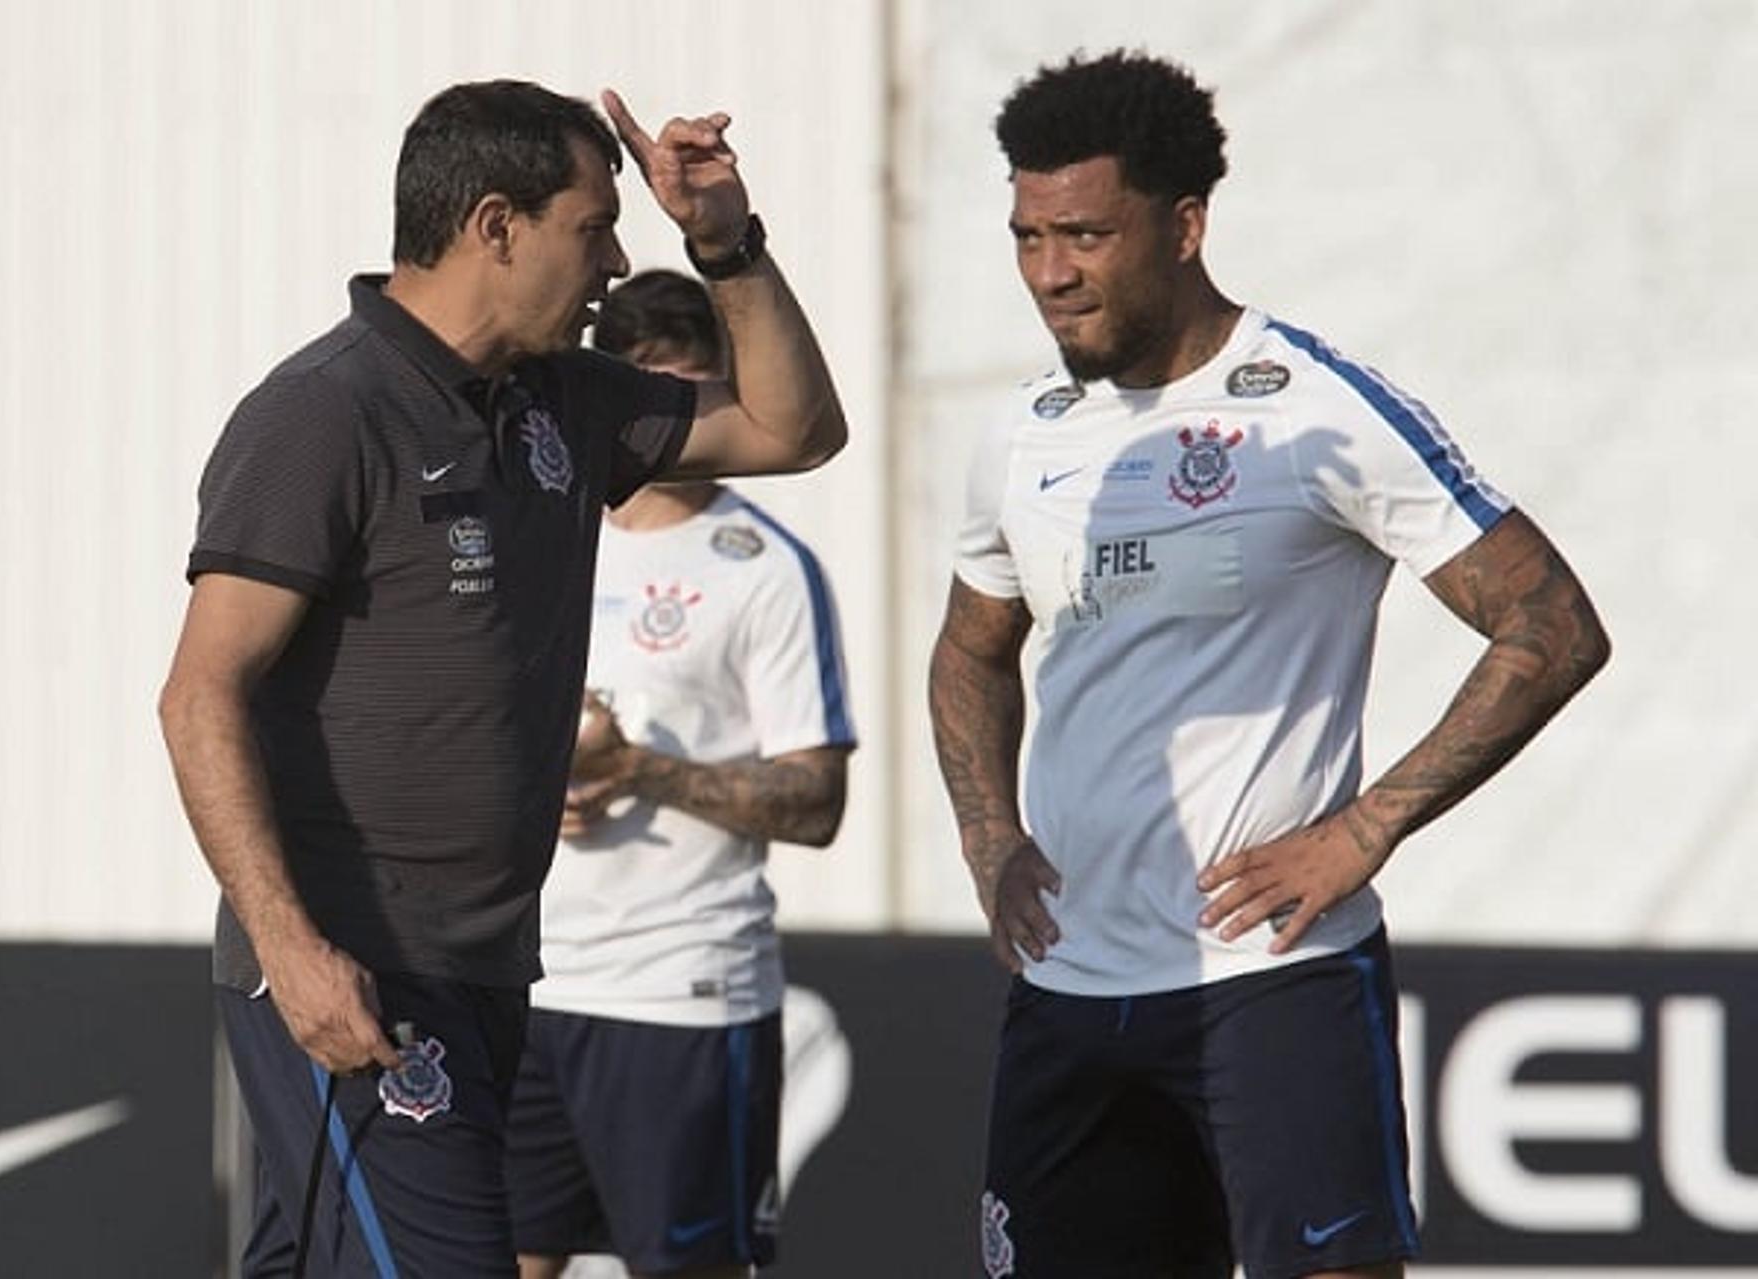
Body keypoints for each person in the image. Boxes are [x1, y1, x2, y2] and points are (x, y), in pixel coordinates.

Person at [928, 49, 1609, 1279]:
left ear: (1185, 225)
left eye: (1084, 234)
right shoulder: (1025, 432)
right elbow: (973, 651)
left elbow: (1551, 627)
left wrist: (1367, 827)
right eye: (1026, 236)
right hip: (1071, 987)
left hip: (1271, 982)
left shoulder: (1315, 408)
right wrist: (988, 839)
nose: (1049, 274)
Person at [158, 79, 846, 1278]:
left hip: (488, 964)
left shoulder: (562, 403)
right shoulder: (324, 413)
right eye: (593, 227)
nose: (620, 262)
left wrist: (727, 244)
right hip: (359, 969)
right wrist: (292, 947)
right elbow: (198, 695)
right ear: (494, 225)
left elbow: (794, 430)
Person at [506, 269, 855, 1279]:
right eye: (654, 393)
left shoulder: (762, 565)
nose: (679, 419)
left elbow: (818, 801)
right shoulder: (543, 531)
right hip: (525, 980)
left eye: (700, 391)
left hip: (680, 991)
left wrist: (637, 769)